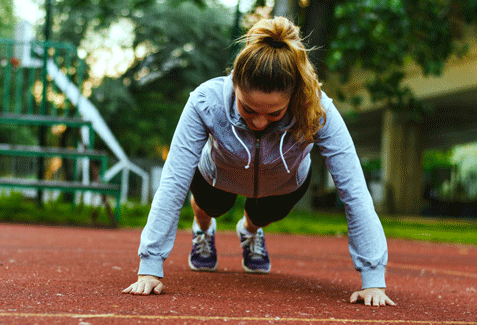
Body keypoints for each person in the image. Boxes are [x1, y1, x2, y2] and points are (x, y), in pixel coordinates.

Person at [122, 16, 396, 307]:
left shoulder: (316, 108)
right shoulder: (206, 101)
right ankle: (202, 228)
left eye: (275, 114)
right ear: (234, 83)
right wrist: (150, 267)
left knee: (261, 216)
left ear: (293, 97)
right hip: (218, 175)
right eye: (247, 109)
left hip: (283, 182)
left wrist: (373, 280)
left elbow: (353, 189)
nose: (259, 122)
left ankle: (250, 231)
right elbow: (174, 179)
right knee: (212, 206)